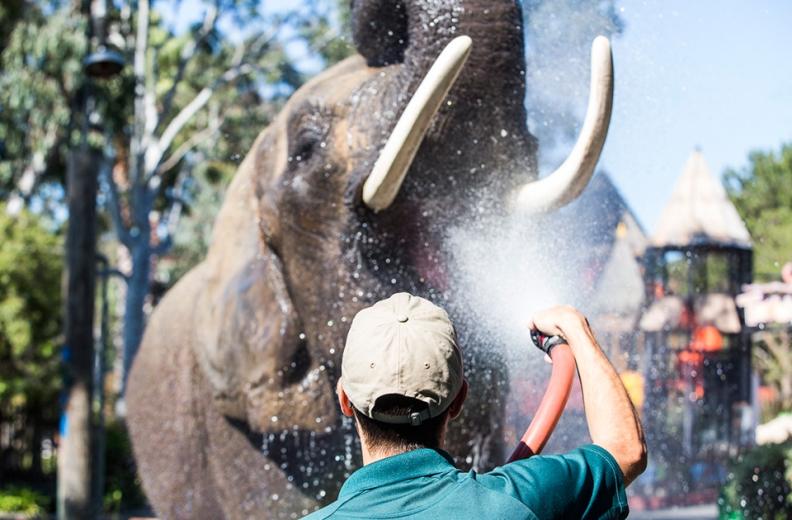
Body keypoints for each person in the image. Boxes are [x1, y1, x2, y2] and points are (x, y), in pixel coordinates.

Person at [304, 292, 646, 519]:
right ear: (458, 401)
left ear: (345, 400)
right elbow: (625, 450)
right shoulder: (517, 500)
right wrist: (575, 327)